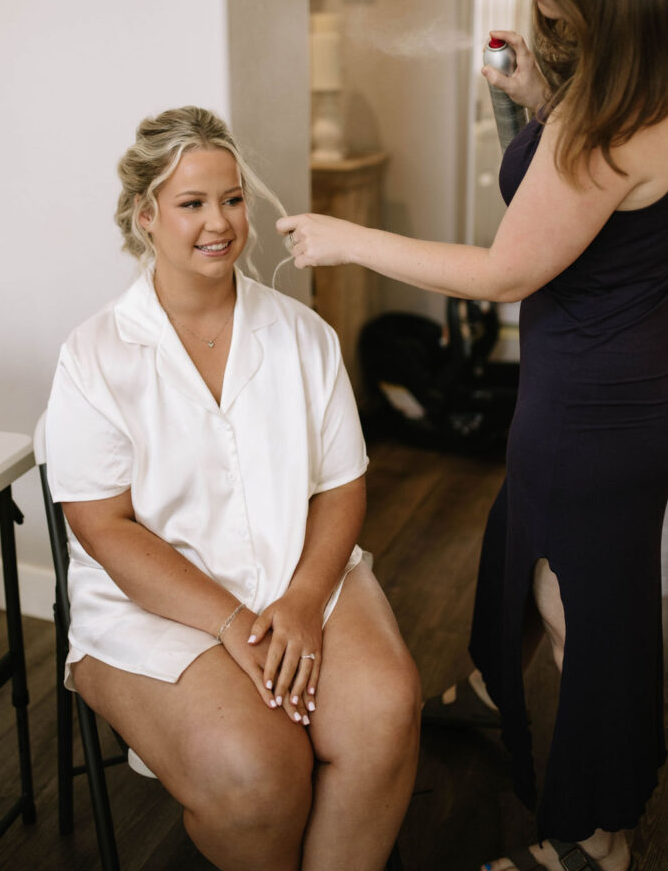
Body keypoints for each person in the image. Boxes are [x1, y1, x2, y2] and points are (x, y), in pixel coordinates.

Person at [277, 0, 668, 869]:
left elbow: (504, 269)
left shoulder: (616, 108)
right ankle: (497, 689)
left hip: (594, 404)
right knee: (514, 540)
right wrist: (524, 111)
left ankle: (596, 832)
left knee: (580, 605)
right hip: (597, 384)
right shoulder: (627, 77)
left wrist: (344, 239)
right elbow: (570, 216)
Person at [45, 106, 421, 871]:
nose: (219, 222)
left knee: (384, 715)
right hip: (153, 604)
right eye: (191, 203)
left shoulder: (300, 335)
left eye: (232, 198)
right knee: (259, 775)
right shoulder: (95, 357)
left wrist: (303, 601)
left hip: (297, 568)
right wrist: (229, 623)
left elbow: (342, 486)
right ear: (144, 215)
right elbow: (103, 526)